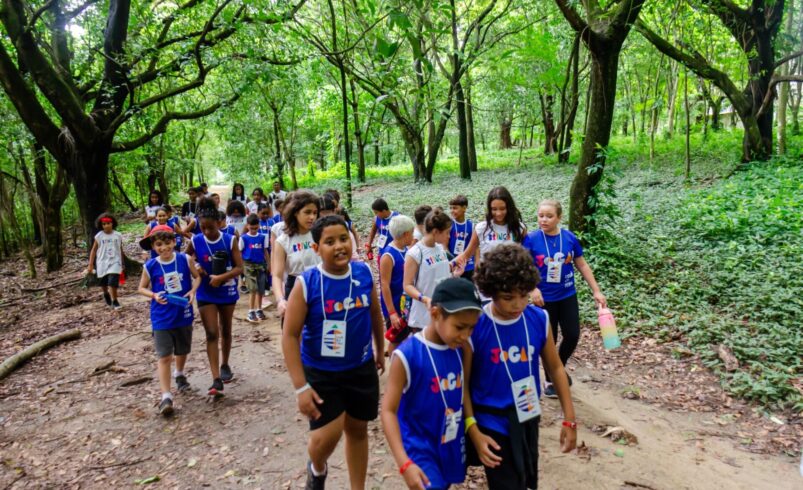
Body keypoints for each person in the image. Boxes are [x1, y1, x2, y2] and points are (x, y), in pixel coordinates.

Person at [281, 215, 385, 490]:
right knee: (326, 437)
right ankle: (317, 468)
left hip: (360, 368)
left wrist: (379, 347)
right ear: (316, 249)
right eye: (329, 242)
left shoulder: (362, 273)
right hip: (322, 373)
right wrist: (300, 387)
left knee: (357, 430)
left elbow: (374, 312)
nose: (339, 246)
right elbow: (290, 336)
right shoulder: (307, 283)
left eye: (343, 239)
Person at [464, 244, 577, 489]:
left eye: (524, 295)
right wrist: (472, 428)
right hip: (490, 419)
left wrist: (569, 419)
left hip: (527, 412)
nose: (517, 304)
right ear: (491, 292)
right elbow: (463, 382)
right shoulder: (477, 325)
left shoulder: (538, 318)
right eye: (508, 298)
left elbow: (556, 368)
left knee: (525, 478)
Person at [381, 277, 482, 490]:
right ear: (435, 313)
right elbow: (388, 411)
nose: (465, 335)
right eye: (460, 327)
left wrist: (472, 427)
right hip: (419, 447)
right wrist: (404, 463)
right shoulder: (407, 355)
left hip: (450, 440)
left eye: (471, 328)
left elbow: (463, 390)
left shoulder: (463, 349)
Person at [523, 199, 607, 397]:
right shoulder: (531, 239)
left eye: (549, 216)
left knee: (572, 334)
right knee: (548, 341)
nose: (544, 220)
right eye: (541, 215)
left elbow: (582, 265)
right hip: (543, 300)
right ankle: (551, 379)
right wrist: (532, 289)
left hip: (567, 294)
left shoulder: (569, 238)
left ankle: (556, 368)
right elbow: (523, 266)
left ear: (559, 217)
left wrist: (597, 290)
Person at [137, 224, 201, 416]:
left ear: (174, 242)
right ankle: (166, 396)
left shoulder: (185, 259)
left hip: (183, 312)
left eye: (167, 243)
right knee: (164, 355)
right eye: (159, 244)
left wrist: (192, 291)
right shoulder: (151, 266)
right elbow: (141, 288)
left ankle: (179, 374)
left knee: (182, 349)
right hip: (161, 316)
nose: (163, 248)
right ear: (154, 246)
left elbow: (197, 277)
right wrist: (154, 295)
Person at [185, 198, 244, 396]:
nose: (207, 232)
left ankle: (225, 363)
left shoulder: (230, 240)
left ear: (219, 223)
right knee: (211, 333)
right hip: (206, 291)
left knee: (225, 329)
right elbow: (185, 260)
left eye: (210, 227)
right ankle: (216, 377)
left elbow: (239, 267)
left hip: (226, 290)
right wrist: (196, 266)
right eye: (203, 228)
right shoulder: (196, 240)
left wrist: (222, 277)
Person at [403, 208, 465, 333]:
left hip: (443, 310)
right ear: (436, 231)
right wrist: (424, 299)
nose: (448, 236)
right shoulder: (415, 253)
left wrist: (454, 275)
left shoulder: (440, 248)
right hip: (423, 316)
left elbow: (440, 275)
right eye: (447, 232)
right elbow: (407, 285)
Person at [272, 191, 321, 318]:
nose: (312, 217)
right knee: (294, 333)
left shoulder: (321, 234)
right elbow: (276, 275)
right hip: (295, 287)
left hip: (321, 285)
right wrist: (280, 300)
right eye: (307, 212)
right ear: (295, 212)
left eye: (315, 213)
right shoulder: (283, 241)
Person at [457, 186, 526, 271]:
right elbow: (466, 255)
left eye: (502, 208)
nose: (498, 213)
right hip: (487, 278)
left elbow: (526, 258)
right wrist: (449, 265)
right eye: (494, 209)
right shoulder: (481, 228)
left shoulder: (519, 228)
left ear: (509, 207)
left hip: (512, 279)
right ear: (489, 209)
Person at [379, 215, 415, 353]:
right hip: (394, 305)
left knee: (404, 336)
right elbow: (384, 285)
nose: (413, 236)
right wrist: (392, 313)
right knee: (396, 339)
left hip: (405, 304)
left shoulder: (406, 250)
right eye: (412, 233)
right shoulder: (388, 256)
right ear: (405, 234)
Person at [87, 213, 125, 310]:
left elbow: (120, 249)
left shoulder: (118, 235)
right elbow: (94, 250)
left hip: (115, 261)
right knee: (103, 283)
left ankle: (115, 301)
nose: (106, 225)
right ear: (101, 225)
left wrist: (122, 262)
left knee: (112, 282)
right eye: (104, 224)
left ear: (112, 223)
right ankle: (106, 293)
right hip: (102, 262)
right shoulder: (99, 236)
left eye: (108, 223)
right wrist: (90, 264)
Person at [240, 214, 270, 323]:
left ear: (259, 226)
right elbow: (240, 252)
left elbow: (265, 251)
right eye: (251, 228)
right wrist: (241, 267)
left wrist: (269, 263)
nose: (253, 230)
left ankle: (259, 309)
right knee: (252, 288)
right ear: (247, 226)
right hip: (248, 265)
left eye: (256, 228)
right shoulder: (243, 238)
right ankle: (251, 311)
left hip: (261, 265)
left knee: (260, 289)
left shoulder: (263, 237)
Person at [319, 194, 359, 261]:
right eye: (322, 213)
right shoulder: (315, 231)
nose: (325, 216)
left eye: (328, 213)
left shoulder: (342, 229)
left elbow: (352, 254)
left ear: (334, 211)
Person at [449, 195, 475, 282]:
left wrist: (476, 263)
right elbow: (444, 246)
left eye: (455, 208)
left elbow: (475, 247)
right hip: (454, 263)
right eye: (451, 208)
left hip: (468, 265)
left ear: (464, 208)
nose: (452, 211)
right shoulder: (449, 225)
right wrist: (454, 260)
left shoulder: (471, 225)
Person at [365, 198, 398, 263]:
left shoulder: (397, 217)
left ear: (384, 211)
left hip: (395, 249)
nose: (376, 215)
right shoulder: (377, 219)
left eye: (376, 213)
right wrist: (369, 244)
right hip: (382, 248)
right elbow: (373, 231)